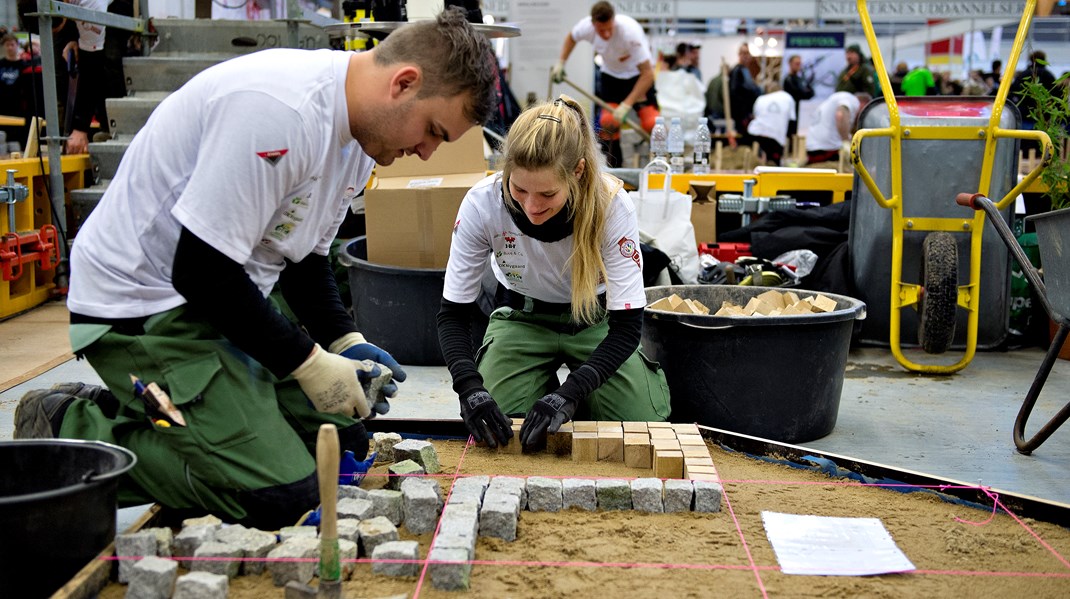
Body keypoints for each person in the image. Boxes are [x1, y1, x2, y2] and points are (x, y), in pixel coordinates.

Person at [13, 9, 498, 529]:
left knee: (343, 443)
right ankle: (81, 424)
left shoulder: (363, 139)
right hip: (144, 308)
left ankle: (179, 412)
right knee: (282, 496)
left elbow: (306, 260)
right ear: (404, 83)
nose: (426, 154)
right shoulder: (280, 111)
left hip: (224, 296)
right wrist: (307, 363)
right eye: (432, 131)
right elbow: (199, 271)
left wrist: (343, 340)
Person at [437, 94, 671, 449]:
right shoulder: (481, 204)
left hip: (597, 322)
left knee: (637, 428)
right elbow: (453, 314)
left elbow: (627, 328)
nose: (531, 207)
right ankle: (534, 388)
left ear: (577, 172)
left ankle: (586, 397)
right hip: (522, 318)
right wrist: (469, 388)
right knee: (499, 427)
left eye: (547, 194)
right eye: (518, 189)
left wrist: (572, 393)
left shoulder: (611, 205)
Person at [551, 1, 659, 167]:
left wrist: (626, 105)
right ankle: (615, 170)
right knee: (608, 123)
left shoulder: (630, 33)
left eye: (610, 29)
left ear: (614, 20)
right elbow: (571, 38)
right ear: (593, 25)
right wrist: (561, 62)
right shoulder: (585, 27)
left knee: (652, 123)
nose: (607, 34)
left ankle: (657, 164)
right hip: (611, 77)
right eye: (602, 30)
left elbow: (648, 74)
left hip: (638, 78)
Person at [805, 91, 870, 164]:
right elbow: (841, 115)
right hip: (827, 151)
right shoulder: (852, 100)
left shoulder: (836, 99)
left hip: (812, 150)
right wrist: (846, 141)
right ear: (864, 104)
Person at [746, 83, 795, 165]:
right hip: (775, 139)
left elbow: (755, 116)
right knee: (774, 163)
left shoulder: (760, 99)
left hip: (754, 134)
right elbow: (792, 122)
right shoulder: (788, 97)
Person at [728, 44, 762, 137]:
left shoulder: (745, 70)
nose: (745, 56)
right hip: (741, 115)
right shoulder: (737, 70)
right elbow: (735, 93)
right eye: (743, 53)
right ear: (739, 55)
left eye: (747, 53)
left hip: (747, 114)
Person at [0, 33, 28, 148]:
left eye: (12, 44)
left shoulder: (24, 65)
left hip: (18, 109)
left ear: (17, 45)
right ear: (3, 47)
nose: (10, 47)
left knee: (15, 144)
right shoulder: (0, 64)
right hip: (2, 108)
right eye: (7, 45)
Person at [782, 54, 814, 139]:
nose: (799, 66)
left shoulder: (800, 79)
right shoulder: (788, 79)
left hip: (801, 112)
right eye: (796, 63)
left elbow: (810, 93)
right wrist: (805, 92)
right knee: (791, 134)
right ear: (790, 64)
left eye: (800, 64)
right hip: (792, 112)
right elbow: (799, 93)